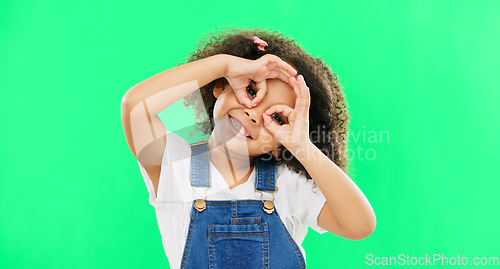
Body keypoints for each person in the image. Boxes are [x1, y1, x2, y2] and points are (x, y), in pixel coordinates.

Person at [121, 27, 376, 268]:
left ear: (279, 145)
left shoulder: (288, 185)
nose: (254, 116)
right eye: (251, 90)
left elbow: (360, 225)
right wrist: (225, 64)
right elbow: (135, 108)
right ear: (220, 86)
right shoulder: (174, 167)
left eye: (277, 118)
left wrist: (301, 146)